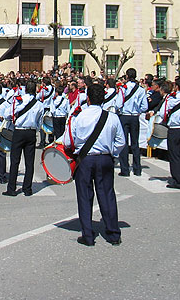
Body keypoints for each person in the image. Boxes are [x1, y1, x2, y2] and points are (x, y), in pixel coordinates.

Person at [63, 83, 125, 246]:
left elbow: (68, 141)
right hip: (105, 158)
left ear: (87, 98)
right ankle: (113, 233)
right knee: (107, 195)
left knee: (84, 196)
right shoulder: (112, 116)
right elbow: (121, 142)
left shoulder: (78, 116)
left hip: (85, 159)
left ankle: (88, 235)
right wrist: (112, 154)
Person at [2, 81, 44, 197]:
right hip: (31, 132)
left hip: (19, 131)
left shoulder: (19, 100)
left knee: (15, 160)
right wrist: (35, 130)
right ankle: (28, 189)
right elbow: (40, 121)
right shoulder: (39, 104)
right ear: (35, 90)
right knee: (29, 162)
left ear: (25, 90)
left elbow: (7, 114)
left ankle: (11, 188)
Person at [116, 68, 148, 177]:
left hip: (124, 116)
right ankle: (137, 169)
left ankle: (125, 169)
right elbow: (145, 107)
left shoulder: (123, 88)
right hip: (135, 117)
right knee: (135, 143)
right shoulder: (141, 90)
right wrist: (138, 111)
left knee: (124, 143)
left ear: (127, 76)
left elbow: (118, 104)